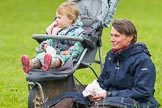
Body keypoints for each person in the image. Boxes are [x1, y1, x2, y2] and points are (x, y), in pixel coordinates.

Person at [47, 19, 160, 108]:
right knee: (68, 98)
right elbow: (102, 81)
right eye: (111, 35)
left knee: (102, 106)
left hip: (134, 101)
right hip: (107, 96)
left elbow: (143, 92)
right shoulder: (111, 55)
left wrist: (108, 95)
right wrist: (92, 91)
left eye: (116, 36)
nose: (111, 39)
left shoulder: (143, 60)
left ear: (129, 38)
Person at [21, 1, 87, 73]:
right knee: (41, 56)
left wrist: (68, 52)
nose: (56, 20)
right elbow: (51, 41)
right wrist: (45, 45)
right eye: (56, 18)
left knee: (58, 58)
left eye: (59, 18)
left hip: (65, 55)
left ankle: (50, 63)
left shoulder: (78, 32)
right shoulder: (58, 30)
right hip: (53, 53)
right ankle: (29, 64)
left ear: (70, 19)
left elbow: (78, 47)